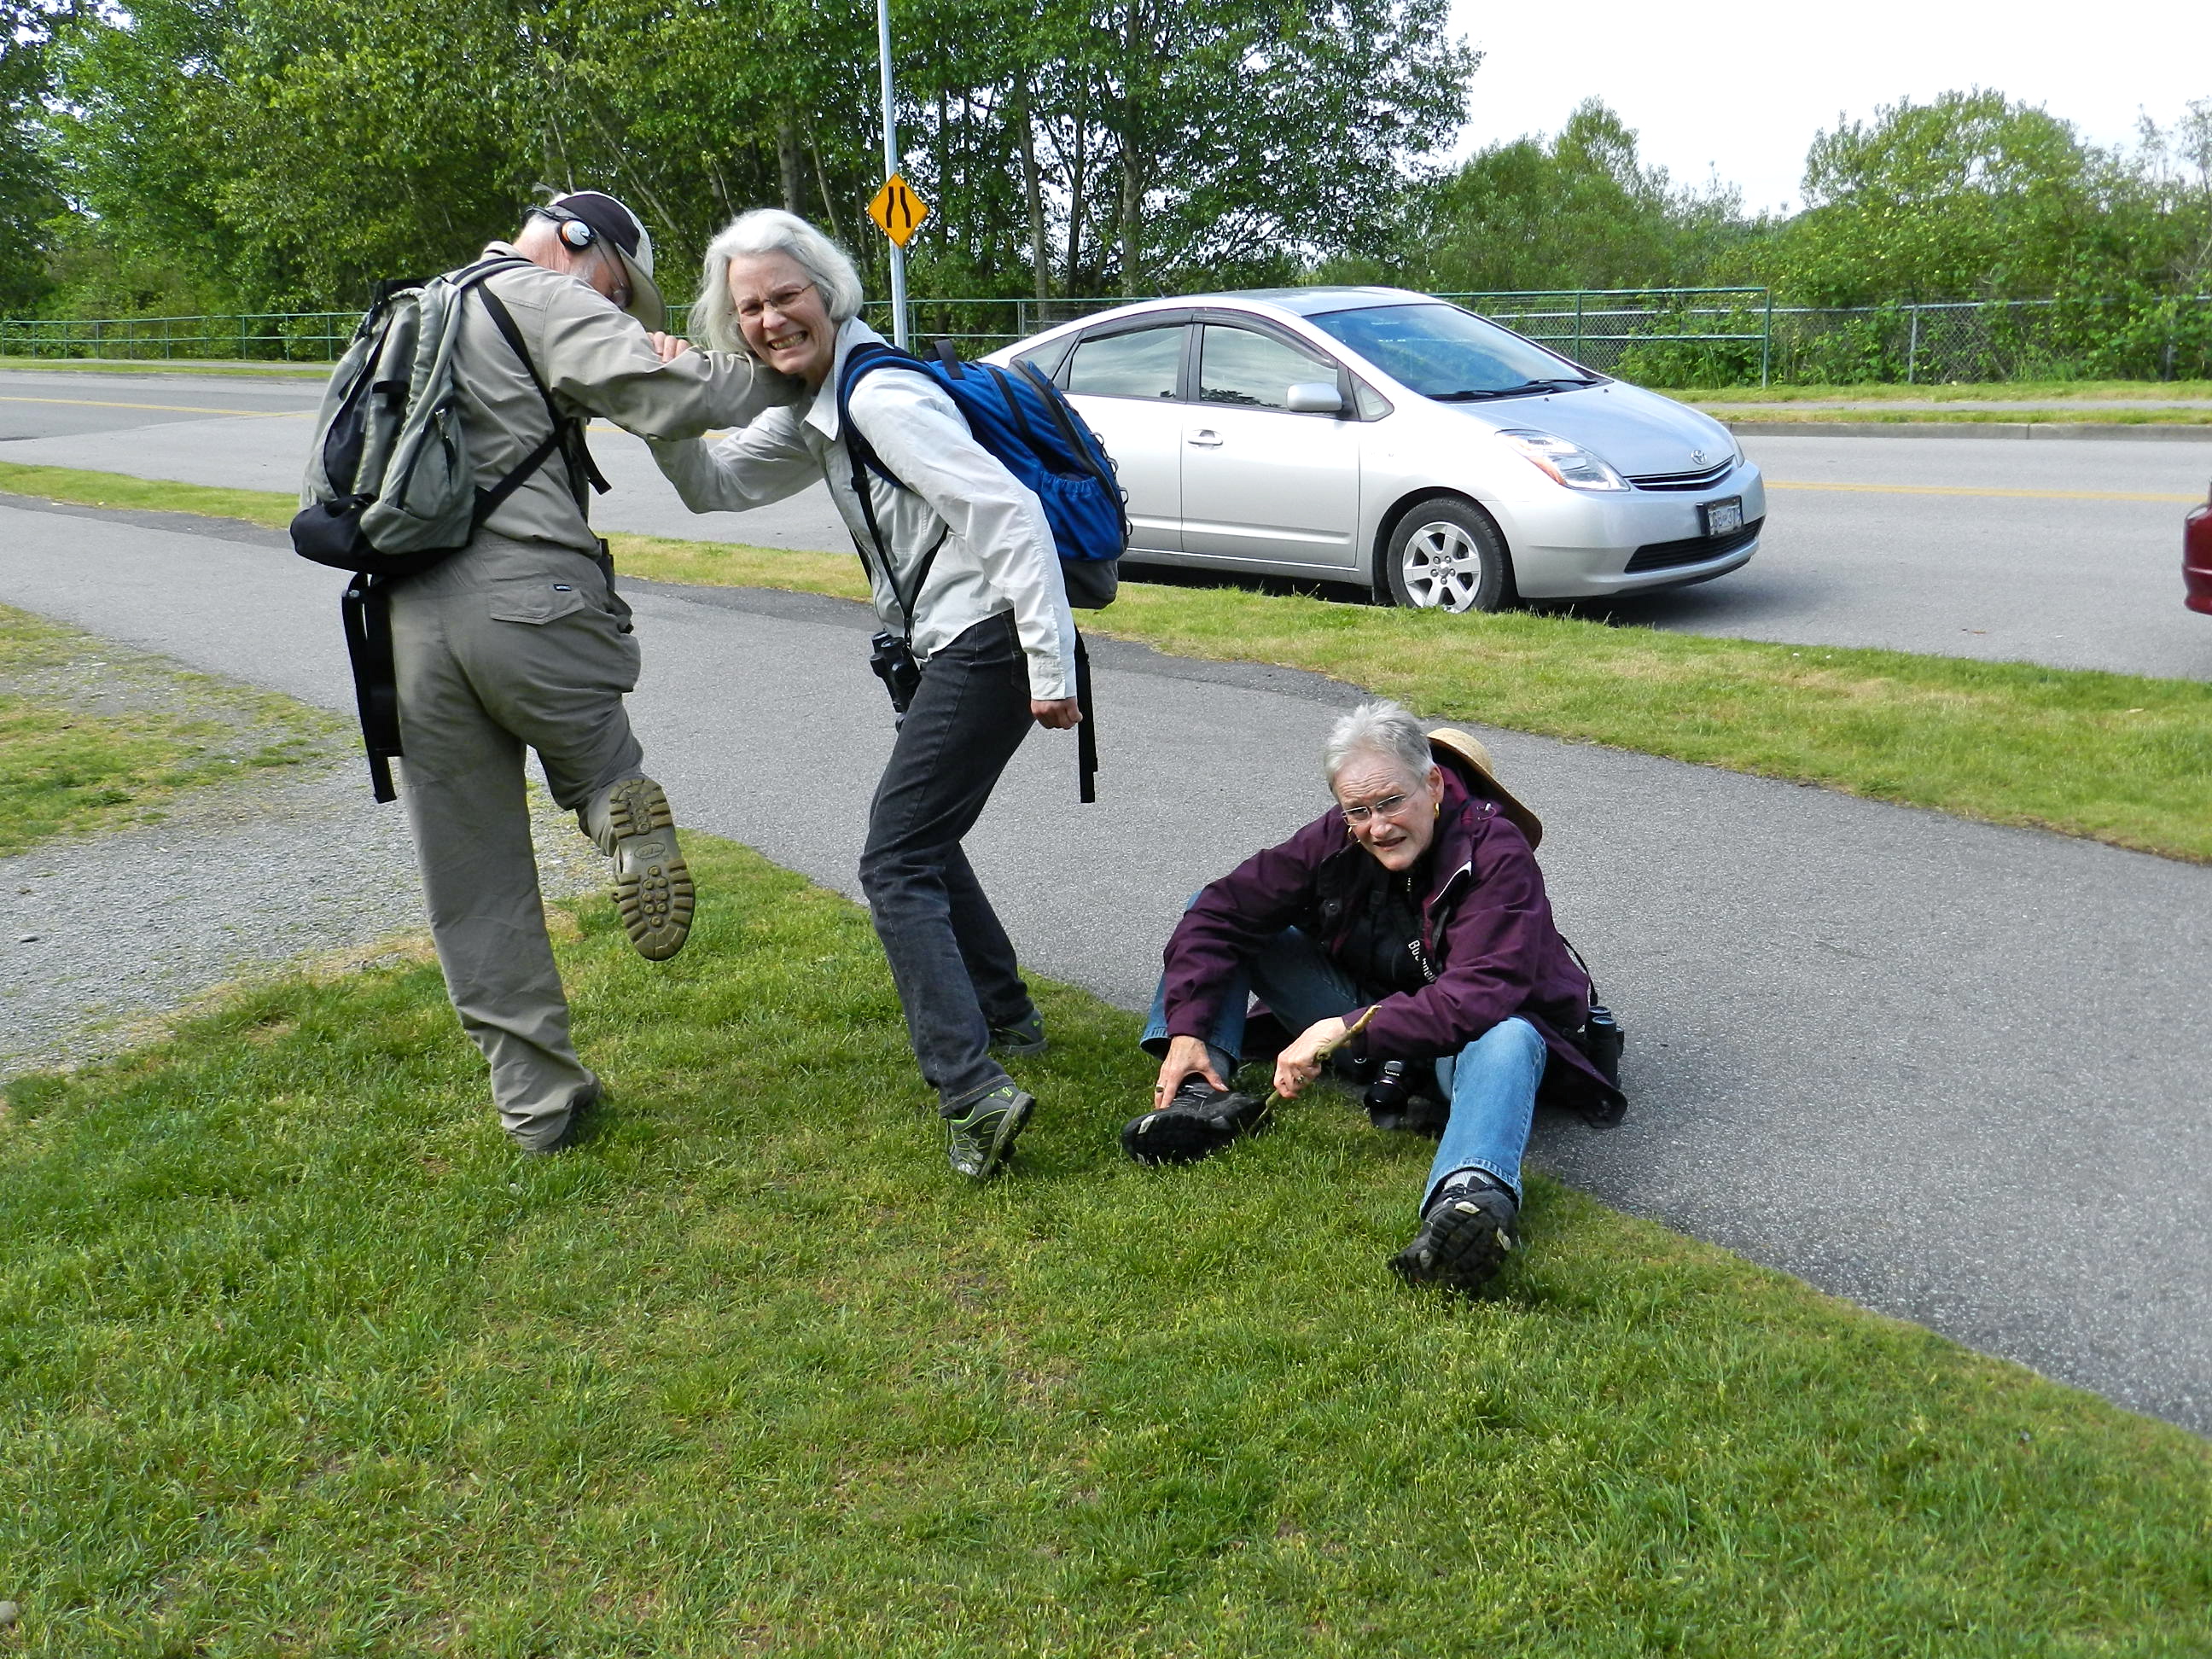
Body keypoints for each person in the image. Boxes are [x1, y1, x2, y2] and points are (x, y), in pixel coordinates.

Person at [641, 209, 1080, 1182]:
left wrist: (1051, 669)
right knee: (922, 836)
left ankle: (972, 1091)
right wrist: (663, 407)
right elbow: (716, 485)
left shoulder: (879, 397)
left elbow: (1009, 517)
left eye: (786, 295)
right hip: (955, 643)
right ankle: (1008, 1014)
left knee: (894, 860)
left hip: (988, 641)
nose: (769, 319)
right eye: (750, 307)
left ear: (829, 292)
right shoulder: (823, 400)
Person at [381, 190, 801, 1155]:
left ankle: (539, 1108)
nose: (615, 307)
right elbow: (676, 394)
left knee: (469, 874)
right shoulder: (542, 294)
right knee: (602, 768)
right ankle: (616, 809)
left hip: (405, 624)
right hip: (529, 596)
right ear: (579, 242)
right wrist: (796, 364)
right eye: (617, 288)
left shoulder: (418, 310)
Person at [1126, 700, 1625, 1293]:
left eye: (1391, 802)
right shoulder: (1339, 835)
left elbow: (1480, 995)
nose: (1377, 826)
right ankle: (1199, 1092)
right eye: (1358, 810)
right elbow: (1220, 910)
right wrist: (1188, 1026)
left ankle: (1469, 1200)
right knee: (1219, 916)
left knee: (1510, 1032)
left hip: (1466, 1045)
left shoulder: (1498, 853)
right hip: (1372, 1026)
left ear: (1434, 785)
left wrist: (1349, 1026)